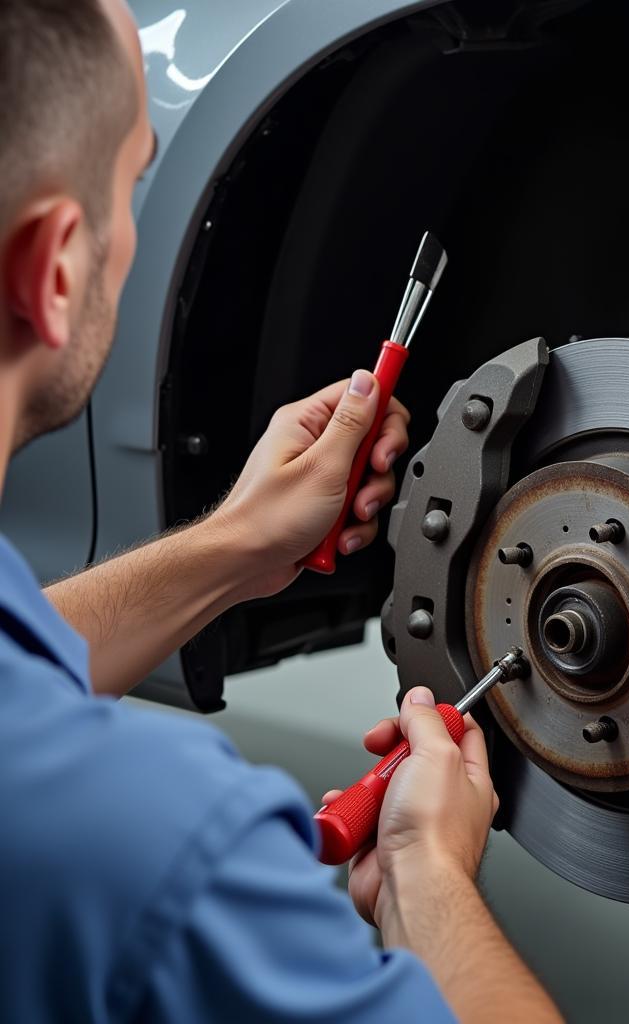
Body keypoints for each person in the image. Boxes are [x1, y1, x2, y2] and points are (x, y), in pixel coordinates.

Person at [0, 1, 563, 1021]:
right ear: (56, 269)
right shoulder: (160, 848)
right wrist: (425, 869)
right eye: (135, 182)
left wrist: (236, 545)